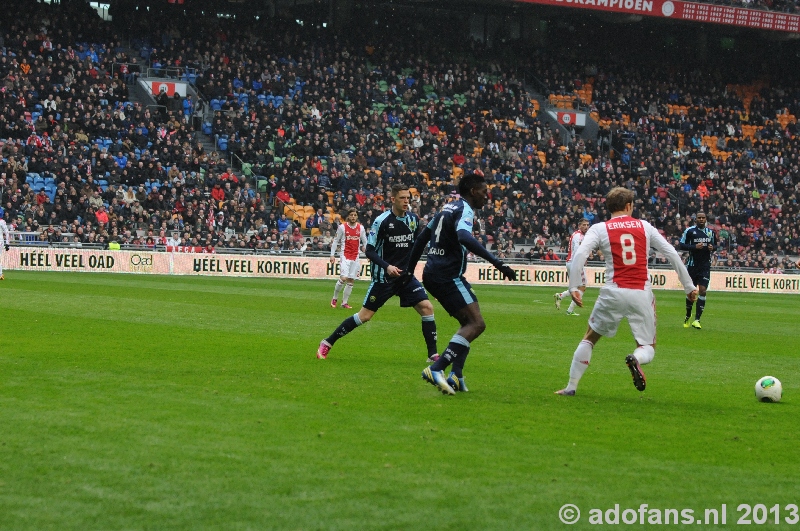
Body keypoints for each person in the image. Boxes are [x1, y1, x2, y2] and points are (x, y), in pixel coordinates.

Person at [555, 187, 697, 396]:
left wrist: (574, 287)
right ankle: (636, 359)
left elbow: (580, 255)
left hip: (613, 291)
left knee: (589, 338)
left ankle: (571, 387)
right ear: (629, 206)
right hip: (641, 292)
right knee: (647, 346)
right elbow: (671, 253)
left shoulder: (599, 228)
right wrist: (689, 286)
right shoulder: (645, 226)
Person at [405, 173, 517, 395]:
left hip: (433, 273)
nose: (487, 196)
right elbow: (464, 237)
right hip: (447, 275)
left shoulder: (447, 208)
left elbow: (421, 238)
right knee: (477, 324)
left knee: (467, 322)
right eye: (484, 192)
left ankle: (456, 375)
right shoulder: (465, 209)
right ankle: (437, 369)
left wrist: (409, 270)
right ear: (473, 191)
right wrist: (498, 263)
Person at [316, 184, 439, 363]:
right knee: (364, 316)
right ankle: (327, 342)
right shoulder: (381, 221)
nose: (406, 201)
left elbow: (415, 245)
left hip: (405, 278)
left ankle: (433, 355)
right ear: (393, 199)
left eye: (408, 198)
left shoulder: (413, 219)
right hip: (384, 278)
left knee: (427, 308)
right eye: (402, 198)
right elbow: (370, 250)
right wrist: (387, 266)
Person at [679, 211, 716, 329]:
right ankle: (688, 315)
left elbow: (714, 246)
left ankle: (697, 320)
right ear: (696, 220)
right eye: (699, 218)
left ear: (706, 219)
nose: (701, 219)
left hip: (705, 266)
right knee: (691, 292)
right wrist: (694, 247)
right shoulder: (690, 231)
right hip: (692, 265)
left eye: (703, 218)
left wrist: (712, 248)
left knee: (703, 290)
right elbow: (681, 245)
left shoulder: (710, 232)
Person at [329, 208, 367, 309]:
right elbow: (336, 241)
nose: (353, 217)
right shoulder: (342, 227)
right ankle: (334, 298)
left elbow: (365, 242)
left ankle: (344, 303)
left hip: (355, 257)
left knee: (351, 280)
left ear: (357, 216)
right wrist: (332, 255)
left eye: (355, 215)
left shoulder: (361, 228)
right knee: (343, 278)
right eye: (351, 215)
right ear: (348, 216)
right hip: (345, 255)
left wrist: (369, 254)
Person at [554, 218, 590, 316]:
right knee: (582, 287)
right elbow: (578, 251)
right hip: (575, 263)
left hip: (571, 262)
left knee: (576, 287)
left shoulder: (576, 235)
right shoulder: (579, 236)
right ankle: (570, 310)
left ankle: (560, 296)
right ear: (579, 226)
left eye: (587, 225)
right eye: (584, 225)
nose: (586, 227)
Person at [0, 207, 9, 280]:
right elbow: (6, 232)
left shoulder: (2, 221)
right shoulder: (2, 221)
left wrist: (7, 243)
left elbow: (6, 232)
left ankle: (0, 273)